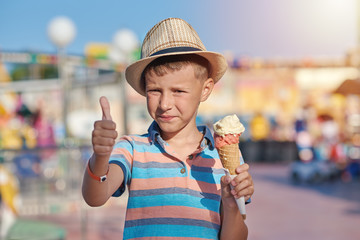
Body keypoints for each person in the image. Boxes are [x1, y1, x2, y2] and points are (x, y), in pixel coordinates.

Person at [82, 18, 254, 240]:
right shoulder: (132, 149)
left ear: (205, 89)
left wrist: (231, 207)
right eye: (155, 90)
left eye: (178, 91)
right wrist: (101, 156)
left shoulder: (223, 156)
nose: (164, 104)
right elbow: (95, 197)